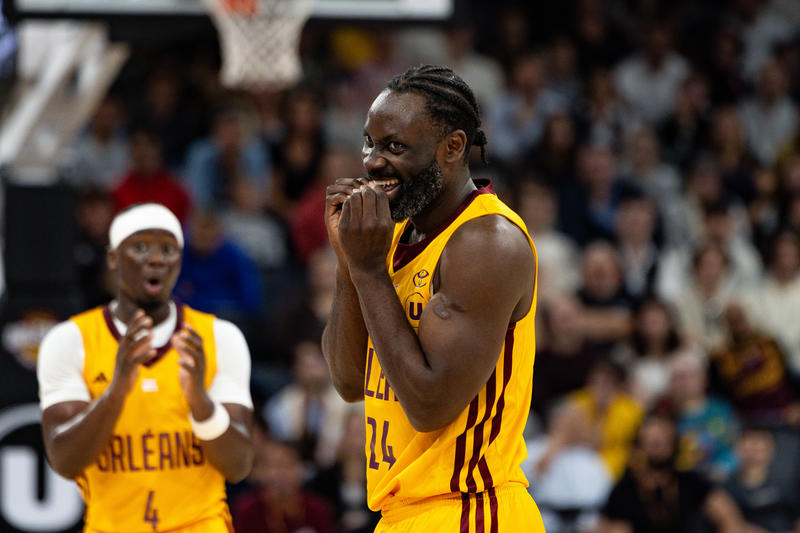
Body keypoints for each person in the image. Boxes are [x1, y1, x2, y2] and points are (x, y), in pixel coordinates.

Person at [322, 65, 544, 532]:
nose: (373, 161)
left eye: (395, 147)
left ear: (453, 147)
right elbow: (347, 382)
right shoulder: (392, 234)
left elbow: (430, 406)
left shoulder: (487, 243)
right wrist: (348, 263)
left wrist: (368, 270)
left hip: (470, 509)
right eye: (370, 143)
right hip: (406, 513)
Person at [37, 203, 254, 532]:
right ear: (112, 258)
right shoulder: (70, 340)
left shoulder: (219, 337)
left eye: (168, 249)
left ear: (179, 262)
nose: (156, 259)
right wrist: (117, 391)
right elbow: (65, 460)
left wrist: (199, 401)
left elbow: (238, 465)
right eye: (140, 247)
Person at [596, 413, 744, 533]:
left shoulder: (690, 481)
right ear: (640, 446)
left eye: (664, 441)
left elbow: (729, 519)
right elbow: (615, 528)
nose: (658, 447)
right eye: (652, 443)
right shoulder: (624, 490)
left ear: (674, 444)